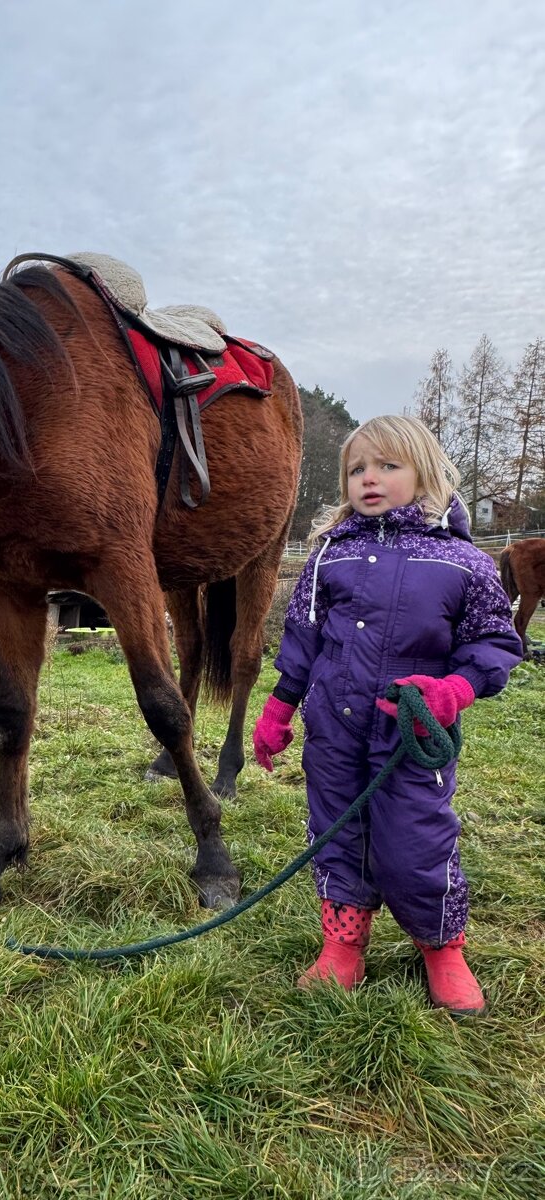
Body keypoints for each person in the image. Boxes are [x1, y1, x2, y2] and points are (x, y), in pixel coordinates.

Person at [253, 415, 523, 1016]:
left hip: (410, 733)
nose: (368, 479)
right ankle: (343, 942)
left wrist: (456, 688)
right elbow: (302, 639)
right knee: (335, 830)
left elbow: (494, 642)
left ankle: (441, 946)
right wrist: (278, 708)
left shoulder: (463, 563)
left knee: (416, 839)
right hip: (333, 728)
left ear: (425, 472)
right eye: (356, 469)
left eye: (387, 466)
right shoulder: (328, 559)